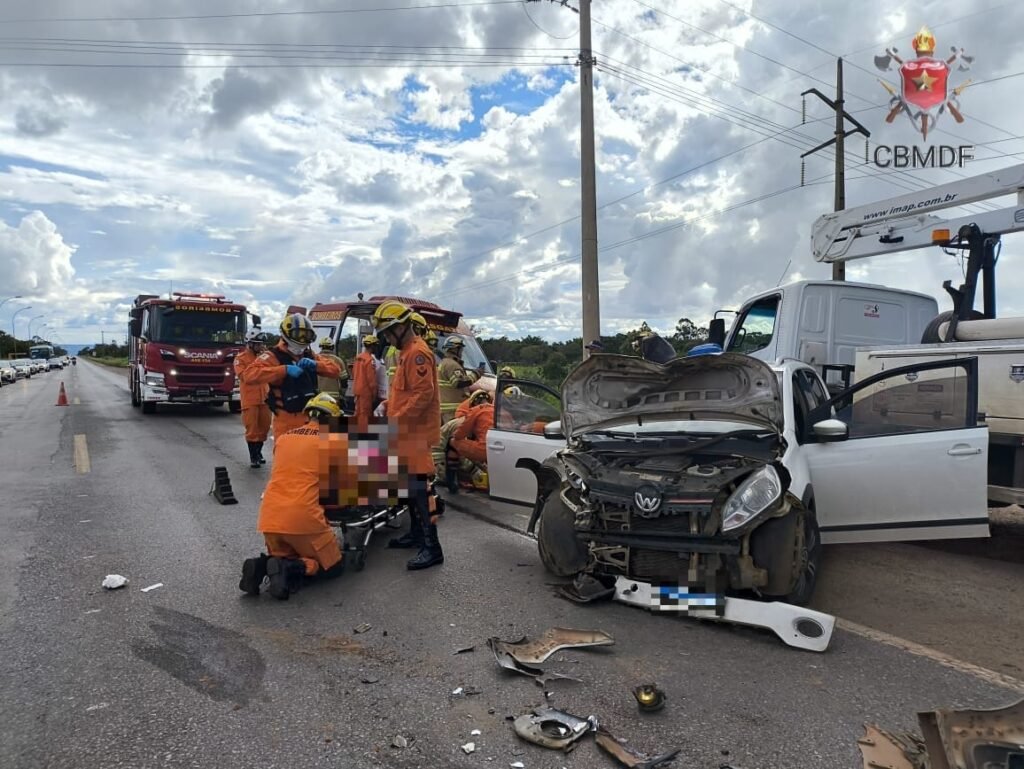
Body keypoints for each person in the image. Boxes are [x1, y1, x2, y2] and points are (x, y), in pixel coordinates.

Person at [239, 393, 347, 600]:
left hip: (270, 519)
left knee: (286, 552)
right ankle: (291, 568)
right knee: (333, 567)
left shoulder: (284, 439)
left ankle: (261, 565)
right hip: (303, 519)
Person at [371, 299, 443, 570]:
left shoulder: (417, 353)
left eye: (388, 333)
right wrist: (387, 405)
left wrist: (396, 420)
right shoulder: (406, 353)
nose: (387, 339)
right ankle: (416, 534)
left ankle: (432, 547)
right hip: (407, 431)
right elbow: (406, 393)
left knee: (420, 490)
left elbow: (423, 395)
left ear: (400, 327)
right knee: (411, 489)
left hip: (415, 433)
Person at [246, 313, 342, 447]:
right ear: (286, 334)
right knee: (286, 454)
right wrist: (283, 370)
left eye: (306, 335)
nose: (302, 339)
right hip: (286, 418)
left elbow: (336, 370)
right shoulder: (272, 356)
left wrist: (316, 365)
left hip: (310, 418)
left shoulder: (309, 355)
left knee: (312, 454)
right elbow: (249, 375)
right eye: (298, 334)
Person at [234, 328, 272, 468]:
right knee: (252, 429)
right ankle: (254, 456)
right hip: (250, 399)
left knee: (264, 428)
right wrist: (261, 370)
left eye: (262, 344)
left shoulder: (266, 356)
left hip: (265, 398)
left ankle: (259, 452)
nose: (261, 346)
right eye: (258, 344)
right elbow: (244, 376)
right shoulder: (241, 359)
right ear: (250, 344)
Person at [437, 336, 477, 424]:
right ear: (455, 349)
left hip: (445, 409)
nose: (462, 352)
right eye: (461, 349)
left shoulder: (444, 363)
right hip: (453, 411)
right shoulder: (452, 365)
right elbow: (459, 383)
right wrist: (476, 374)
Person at [352, 334, 381, 429]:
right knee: (365, 414)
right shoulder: (369, 359)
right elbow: (371, 379)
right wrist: (375, 393)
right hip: (366, 392)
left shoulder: (358, 357)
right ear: (372, 346)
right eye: (375, 345)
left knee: (357, 412)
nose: (376, 348)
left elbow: (354, 372)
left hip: (357, 390)